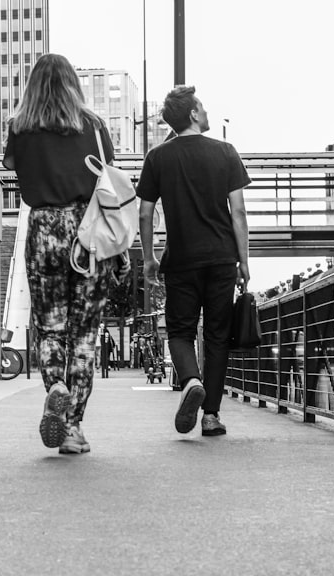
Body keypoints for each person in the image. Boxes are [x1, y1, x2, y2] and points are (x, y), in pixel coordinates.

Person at [3, 53, 129, 455]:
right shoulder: (92, 125)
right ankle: (72, 426)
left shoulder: (20, 127)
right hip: (86, 234)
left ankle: (54, 384)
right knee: (85, 335)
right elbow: (109, 173)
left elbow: (11, 166)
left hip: (42, 229)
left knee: (51, 326)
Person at [137, 85, 251, 437]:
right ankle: (211, 416)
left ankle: (190, 380)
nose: (206, 112)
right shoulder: (226, 152)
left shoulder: (158, 157)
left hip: (181, 260)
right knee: (217, 337)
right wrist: (243, 261)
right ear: (192, 114)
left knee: (180, 331)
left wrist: (149, 259)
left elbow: (144, 213)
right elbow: (239, 212)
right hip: (220, 259)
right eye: (201, 107)